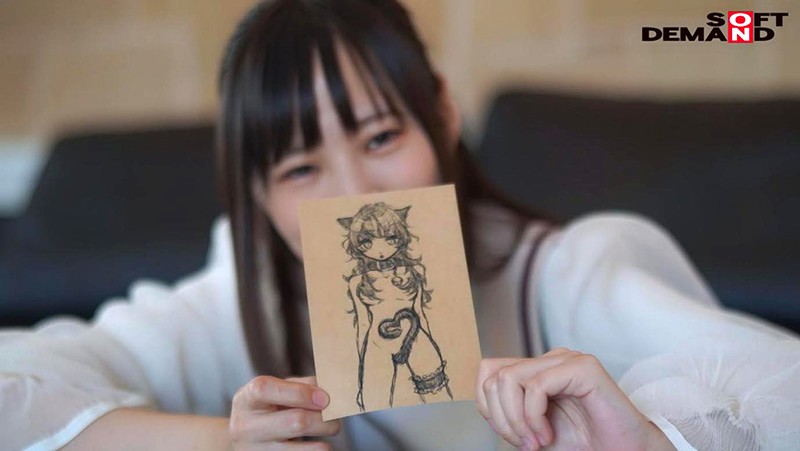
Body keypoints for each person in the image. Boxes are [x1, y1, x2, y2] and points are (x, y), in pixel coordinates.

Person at [1, 1, 799, 450]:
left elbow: (782, 387)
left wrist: (647, 438)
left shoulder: (564, 275)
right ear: (254, 195)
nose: (355, 193)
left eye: (381, 138)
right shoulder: (244, 300)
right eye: (301, 168)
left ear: (442, 115)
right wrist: (220, 441)